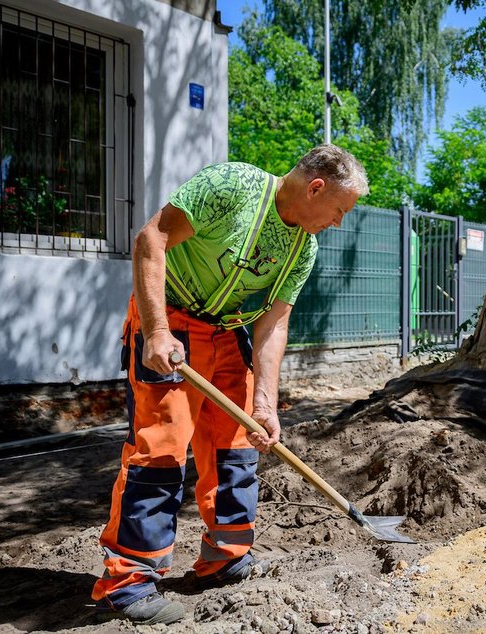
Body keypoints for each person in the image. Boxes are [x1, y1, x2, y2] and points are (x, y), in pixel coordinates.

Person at [92, 145, 369, 625]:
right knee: (161, 450)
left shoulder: (303, 247)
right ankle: (127, 580)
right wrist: (156, 330)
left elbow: (274, 325)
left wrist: (265, 403)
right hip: (172, 322)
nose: (339, 223)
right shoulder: (233, 187)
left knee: (237, 447)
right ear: (316, 188)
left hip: (227, 331)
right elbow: (150, 239)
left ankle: (226, 556)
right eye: (340, 211)